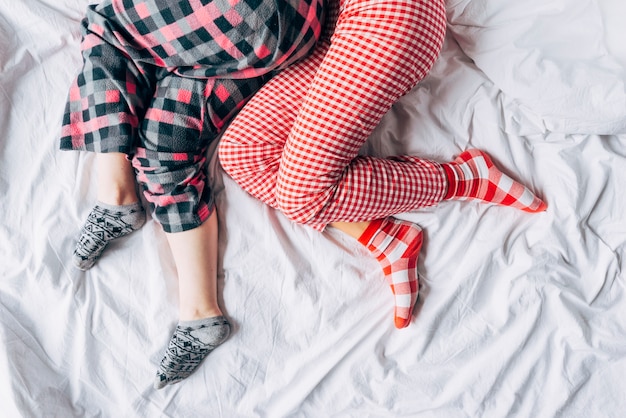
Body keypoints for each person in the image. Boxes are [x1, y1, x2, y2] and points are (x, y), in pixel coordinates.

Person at [218, 0, 547, 330]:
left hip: (386, 13)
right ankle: (384, 237)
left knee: (301, 196)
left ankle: (462, 178)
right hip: (328, 21)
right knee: (243, 152)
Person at [60, 0, 324, 389]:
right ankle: (201, 314)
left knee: (112, 26)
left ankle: (115, 195)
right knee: (165, 146)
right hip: (285, 32)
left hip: (254, 14)